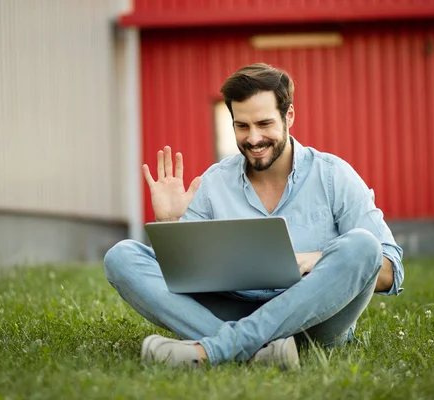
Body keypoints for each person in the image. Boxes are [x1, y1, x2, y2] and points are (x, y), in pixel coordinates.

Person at [104, 63, 404, 369]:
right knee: (121, 256)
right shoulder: (214, 182)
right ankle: (260, 352)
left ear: (289, 116)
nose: (253, 138)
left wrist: (317, 258)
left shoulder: (333, 175)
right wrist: (169, 223)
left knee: (364, 245)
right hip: (232, 307)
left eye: (264, 123)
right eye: (242, 126)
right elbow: (184, 273)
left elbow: (388, 271)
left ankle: (216, 348)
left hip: (314, 319)